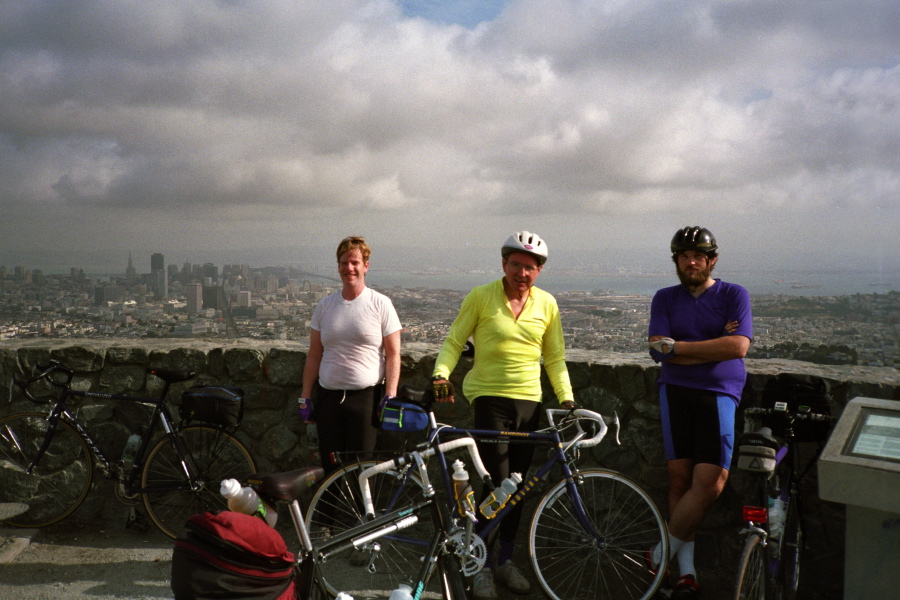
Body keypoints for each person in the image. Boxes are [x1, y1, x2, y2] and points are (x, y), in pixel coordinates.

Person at [431, 231, 575, 600]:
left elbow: (555, 358)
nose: (521, 273)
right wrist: (440, 374)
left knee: (520, 485)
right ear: (503, 264)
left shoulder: (547, 305)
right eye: (515, 265)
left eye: (530, 267)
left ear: (539, 271)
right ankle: (478, 564)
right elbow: (453, 341)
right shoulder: (481, 297)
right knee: (497, 483)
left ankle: (504, 561)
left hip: (529, 402)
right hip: (489, 398)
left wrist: (567, 399)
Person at [647, 226, 752, 598]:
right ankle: (685, 573)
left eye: (698, 256)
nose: (691, 262)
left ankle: (659, 554)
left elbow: (738, 346)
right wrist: (711, 345)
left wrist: (681, 348)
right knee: (679, 481)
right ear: (676, 260)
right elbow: (658, 347)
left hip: (719, 392)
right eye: (684, 256)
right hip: (674, 392)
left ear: (712, 260)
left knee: (710, 483)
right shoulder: (664, 298)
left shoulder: (733, 294)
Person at [300, 236, 402, 474]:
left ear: (366, 266)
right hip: (329, 399)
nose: (350, 268)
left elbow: (394, 354)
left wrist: (390, 395)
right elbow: (314, 354)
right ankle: (328, 512)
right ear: (338, 267)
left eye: (355, 262)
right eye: (344, 263)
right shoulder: (325, 306)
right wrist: (305, 396)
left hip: (365, 399)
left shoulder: (381, 304)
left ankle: (361, 512)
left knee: (363, 469)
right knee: (330, 468)